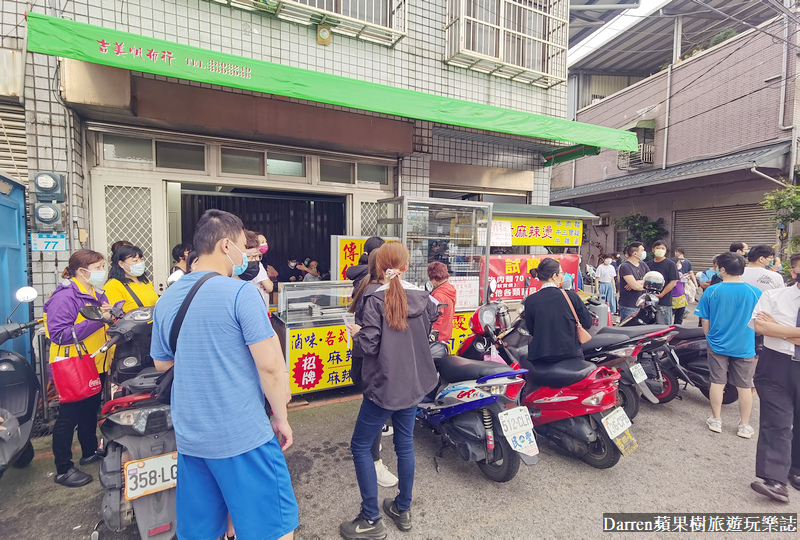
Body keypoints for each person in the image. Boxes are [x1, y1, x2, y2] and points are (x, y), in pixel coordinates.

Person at [150, 209, 298, 540]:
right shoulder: (240, 294)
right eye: (244, 248)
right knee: (272, 529)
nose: (247, 256)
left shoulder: (167, 297)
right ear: (225, 246)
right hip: (242, 435)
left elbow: (162, 363)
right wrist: (281, 418)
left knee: (205, 530)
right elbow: (271, 366)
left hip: (191, 436)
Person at [341, 242, 439, 539]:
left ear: (377, 266)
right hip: (413, 384)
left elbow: (368, 346)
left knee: (360, 447)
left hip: (384, 385)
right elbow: (426, 329)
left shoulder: (373, 299)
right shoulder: (424, 298)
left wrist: (356, 335)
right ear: (406, 266)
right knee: (405, 444)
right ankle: (402, 508)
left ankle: (371, 518)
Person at [43, 249, 113, 487]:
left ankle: (89, 451)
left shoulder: (95, 292)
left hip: (94, 362)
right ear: (82, 271)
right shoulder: (64, 297)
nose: (102, 272)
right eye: (98, 267)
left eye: (103, 266)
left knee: (89, 410)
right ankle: (63, 469)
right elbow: (59, 334)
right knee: (68, 417)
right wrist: (97, 320)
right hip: (71, 364)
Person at [749, 253, 800, 502]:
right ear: (794, 271)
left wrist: (779, 330)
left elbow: (771, 328)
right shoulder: (773, 296)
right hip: (775, 366)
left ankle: (796, 469)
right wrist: (786, 333)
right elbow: (761, 327)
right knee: (776, 422)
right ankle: (775, 480)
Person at [694, 252, 761, 439]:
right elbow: (760, 321)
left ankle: (716, 419)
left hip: (717, 344)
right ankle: (745, 425)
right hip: (745, 345)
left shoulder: (712, 291)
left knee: (717, 382)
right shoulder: (754, 292)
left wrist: (709, 337)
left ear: (722, 269)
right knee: (745, 386)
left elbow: (704, 320)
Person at [348, 250, 399, 491]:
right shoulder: (374, 293)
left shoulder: (378, 289)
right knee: (373, 415)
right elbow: (369, 341)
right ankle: (375, 463)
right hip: (376, 366)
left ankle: (374, 457)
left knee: (375, 415)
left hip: (376, 365)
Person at [523, 258, 593, 368]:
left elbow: (531, 329)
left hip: (541, 357)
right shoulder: (571, 296)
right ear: (554, 276)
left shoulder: (530, 300)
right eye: (561, 273)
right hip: (570, 354)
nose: (563, 276)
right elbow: (588, 322)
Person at [104, 244, 159, 311]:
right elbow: (111, 314)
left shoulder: (145, 281)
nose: (140, 263)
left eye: (142, 259)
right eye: (135, 261)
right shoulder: (113, 285)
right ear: (121, 264)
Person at [647, 240, 679, 325]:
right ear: (653, 249)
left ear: (665, 250)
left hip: (664, 302)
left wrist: (662, 294)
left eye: (662, 248)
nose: (660, 250)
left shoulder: (670, 264)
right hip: (649, 302)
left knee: (663, 327)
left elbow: (673, 282)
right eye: (658, 248)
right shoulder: (649, 264)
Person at [617, 242, 650, 321]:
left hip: (642, 305)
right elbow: (635, 287)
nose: (644, 252)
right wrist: (644, 285)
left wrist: (637, 282)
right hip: (629, 305)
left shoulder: (643, 264)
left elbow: (650, 280)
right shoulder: (625, 266)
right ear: (635, 253)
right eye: (642, 250)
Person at [428, 261, 457, 344]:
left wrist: (432, 337)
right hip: (446, 335)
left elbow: (436, 320)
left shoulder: (438, 295)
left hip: (438, 338)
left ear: (433, 278)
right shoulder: (450, 289)